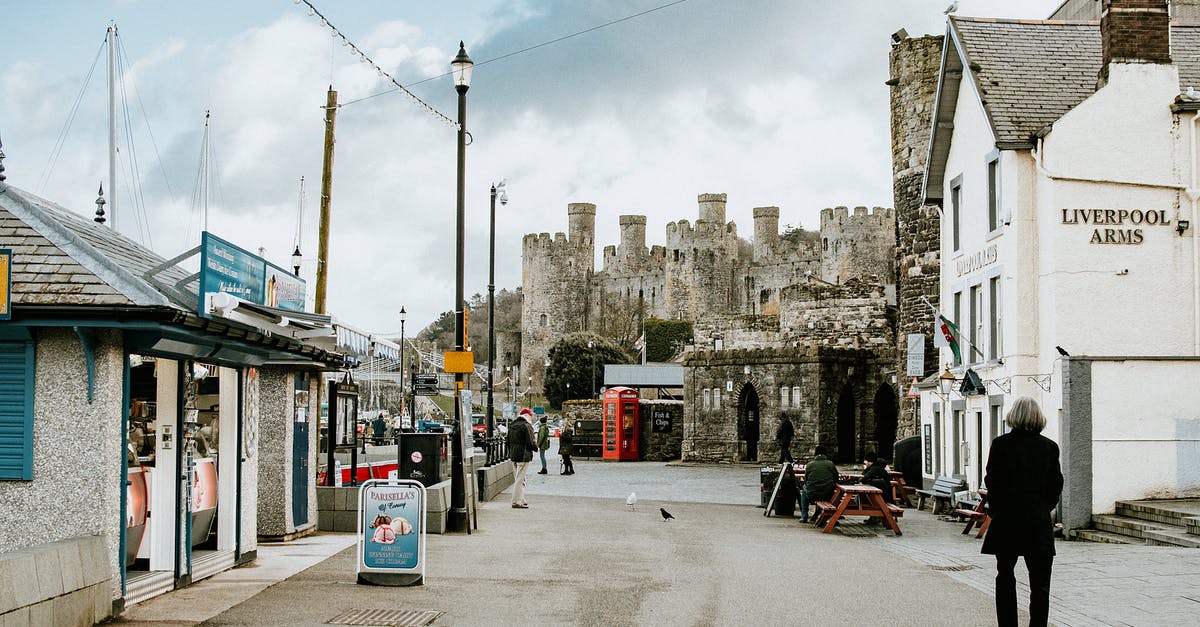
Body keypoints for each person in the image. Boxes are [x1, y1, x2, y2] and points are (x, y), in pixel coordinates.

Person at [982, 396, 1063, 627]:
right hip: (1037, 522)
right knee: (1040, 584)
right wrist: (1042, 508)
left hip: (1007, 520)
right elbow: (1055, 485)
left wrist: (998, 510)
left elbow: (993, 482)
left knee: (1005, 576)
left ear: (1013, 416)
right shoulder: (1049, 447)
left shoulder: (1000, 444)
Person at [506, 408, 538, 508]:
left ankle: (521, 499)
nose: (532, 417)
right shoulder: (526, 426)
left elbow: (507, 441)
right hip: (523, 455)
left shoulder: (512, 425)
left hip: (514, 455)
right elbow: (530, 441)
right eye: (530, 415)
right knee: (520, 480)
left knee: (519, 479)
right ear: (526, 416)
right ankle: (516, 501)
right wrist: (536, 448)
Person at [799, 446, 838, 524]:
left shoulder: (809, 464)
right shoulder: (830, 464)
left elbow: (806, 480)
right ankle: (832, 516)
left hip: (812, 494)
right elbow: (835, 478)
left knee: (804, 487)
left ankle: (804, 515)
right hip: (827, 494)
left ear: (815, 454)